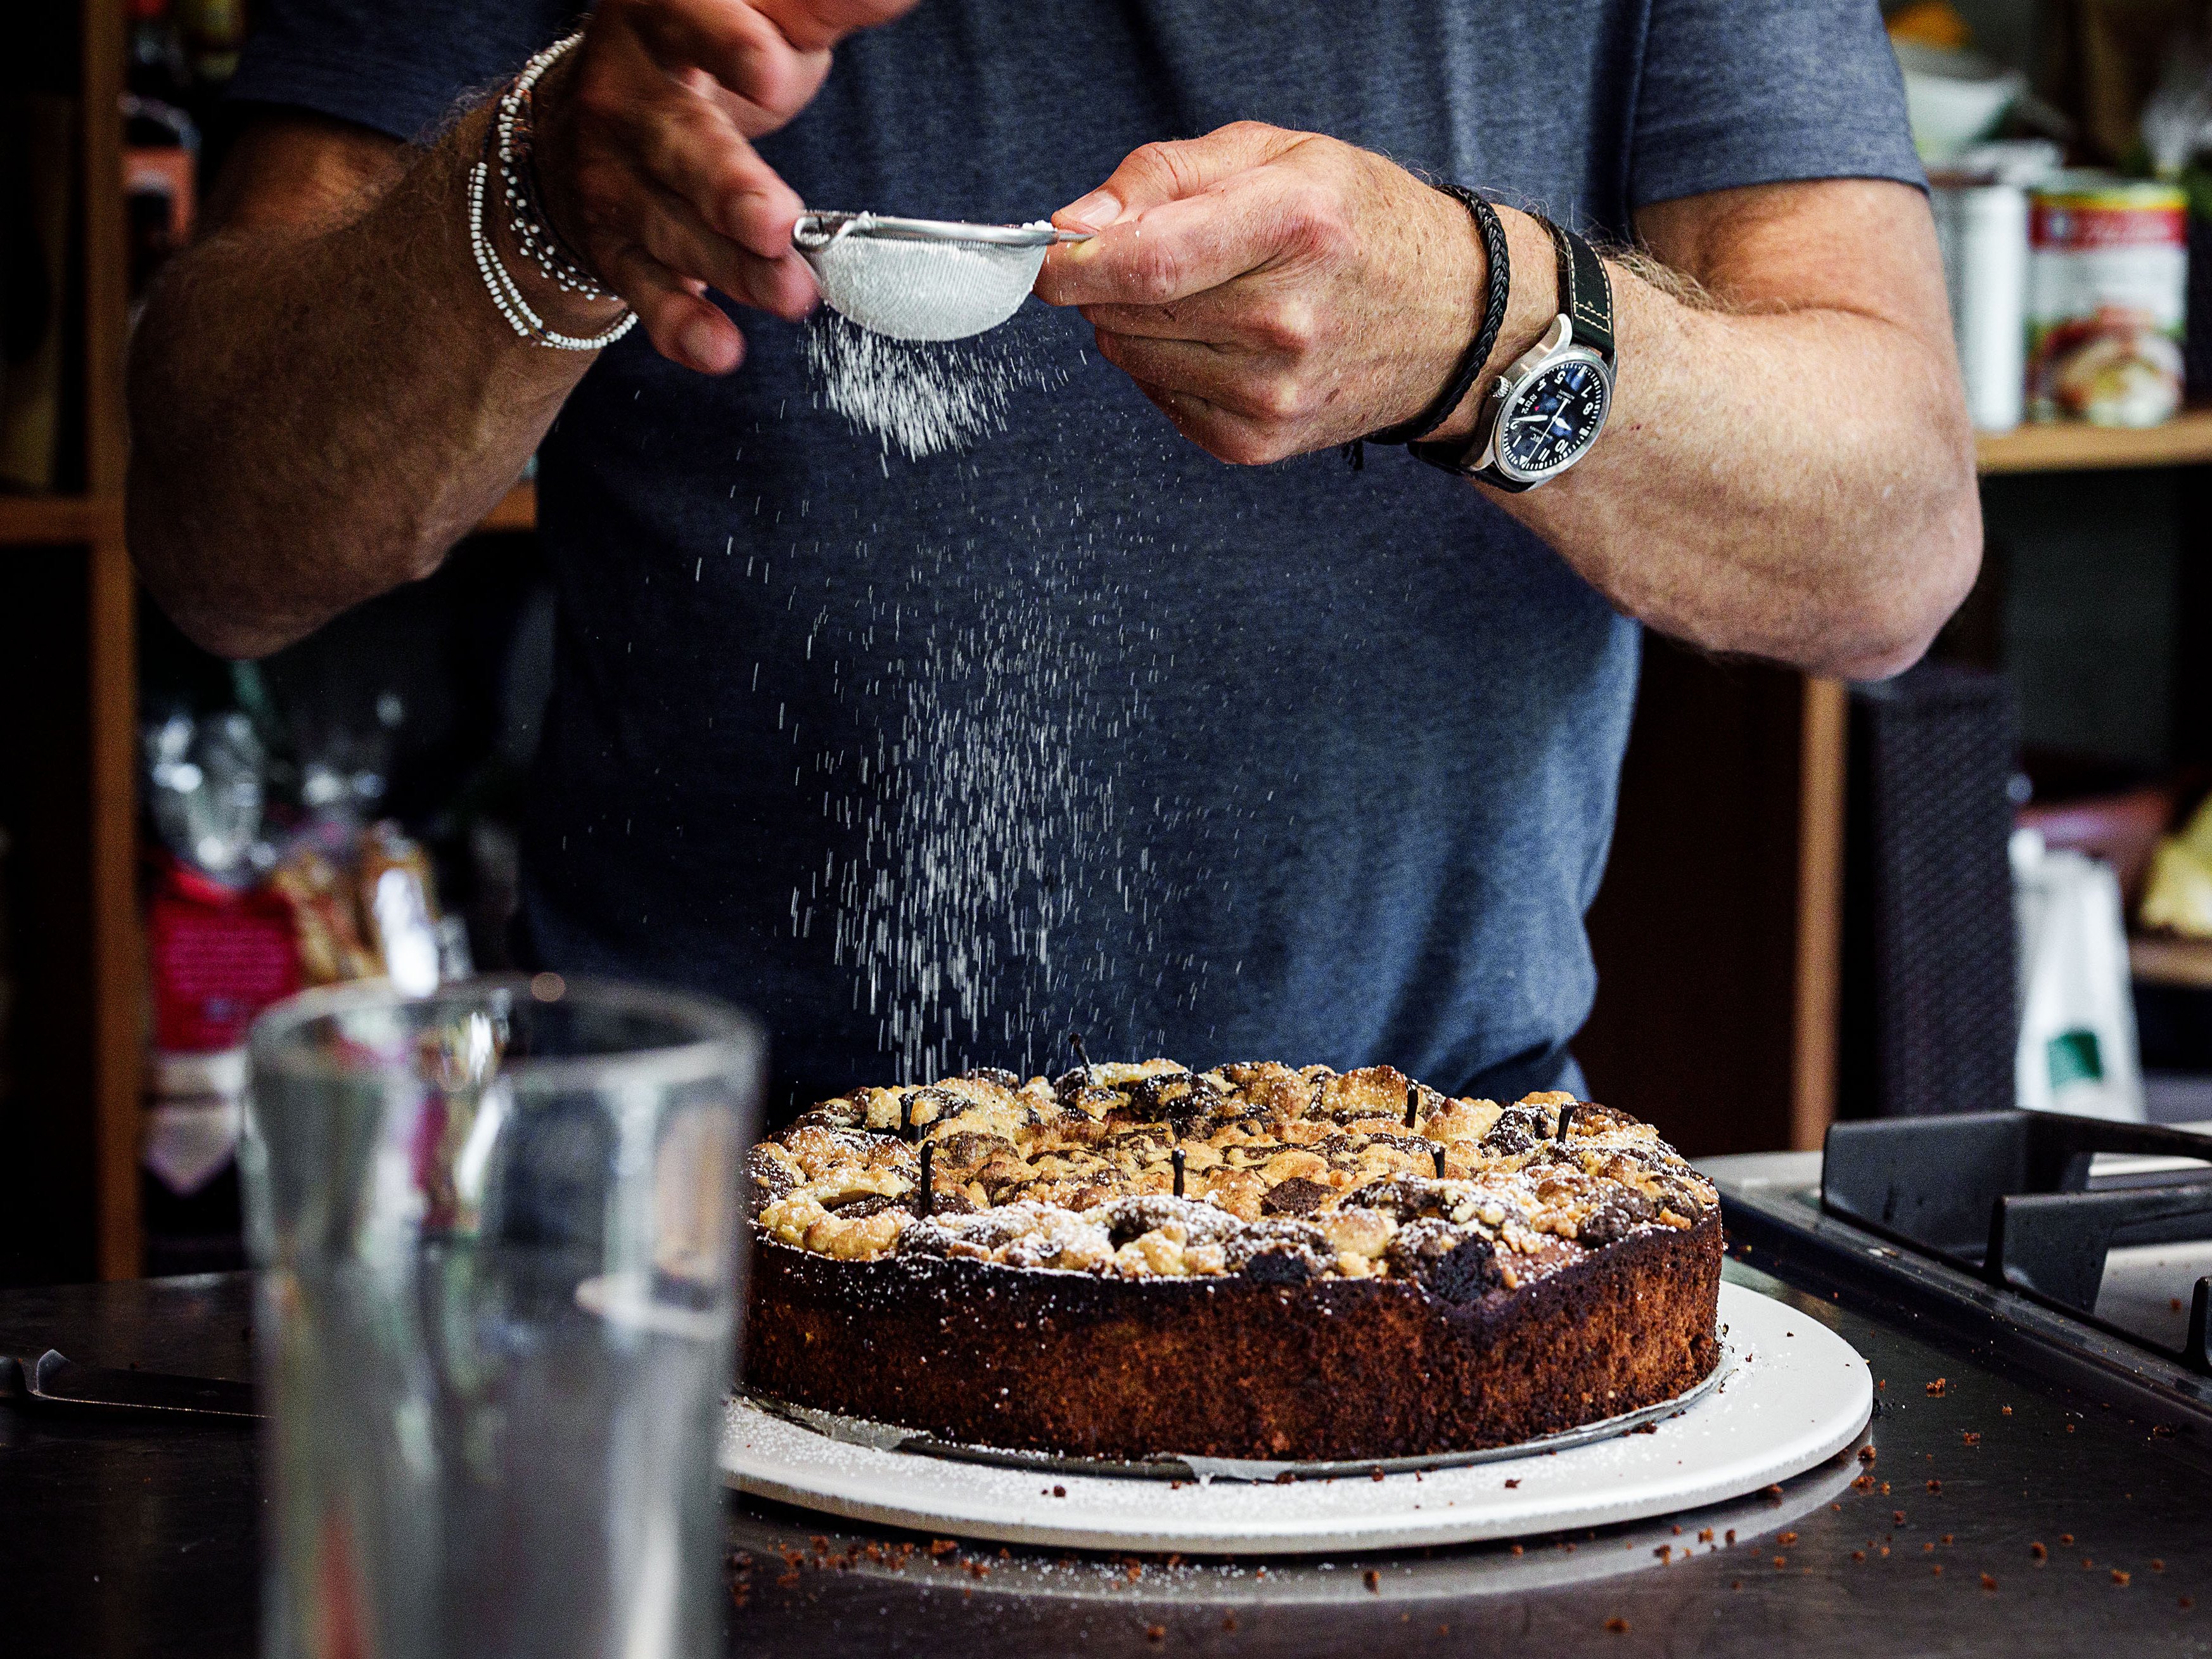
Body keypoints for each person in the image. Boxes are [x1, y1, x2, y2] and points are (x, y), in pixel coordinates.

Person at [127, 0, 1980, 1112]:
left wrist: (1478, 327)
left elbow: (1887, 538)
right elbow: (224, 533)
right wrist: (530, 194)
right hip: (705, 1232)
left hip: (1406, 1216)